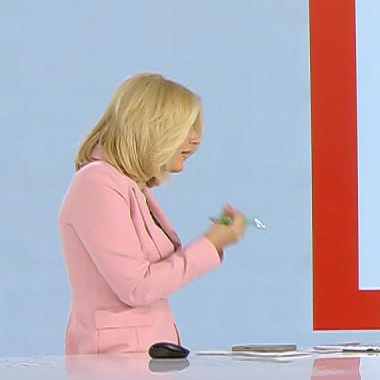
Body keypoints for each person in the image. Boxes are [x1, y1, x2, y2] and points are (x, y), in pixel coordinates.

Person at [59, 73, 247, 355]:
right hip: (116, 364)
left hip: (138, 361)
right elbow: (137, 286)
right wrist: (211, 243)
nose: (196, 139)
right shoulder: (97, 183)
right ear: (151, 129)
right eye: (185, 128)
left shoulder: (129, 187)